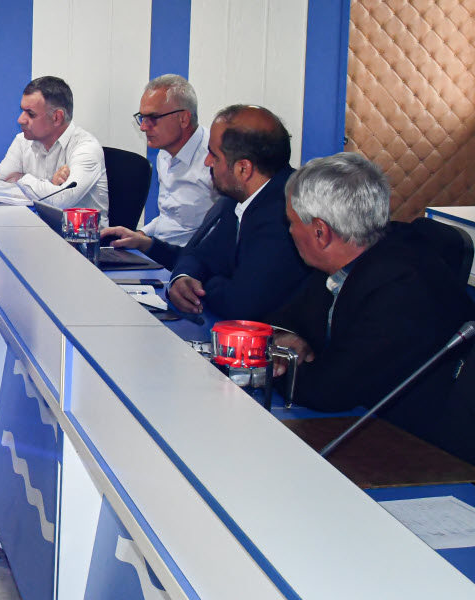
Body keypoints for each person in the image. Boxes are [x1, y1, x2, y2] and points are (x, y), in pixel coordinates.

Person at [268, 154, 475, 461]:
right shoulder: (349, 256)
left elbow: (328, 391)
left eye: (292, 223)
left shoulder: (402, 288)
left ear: (320, 232)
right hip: (364, 422)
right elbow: (287, 318)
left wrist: (271, 365)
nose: (289, 232)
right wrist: (287, 338)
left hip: (416, 451)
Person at [167, 105, 309, 320]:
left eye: (214, 155)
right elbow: (198, 254)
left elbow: (241, 305)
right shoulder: (237, 199)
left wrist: (203, 284)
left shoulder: (285, 215)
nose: (207, 162)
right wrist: (183, 277)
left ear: (243, 169)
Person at [101, 74, 215, 265]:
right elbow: (169, 217)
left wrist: (146, 244)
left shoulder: (215, 161)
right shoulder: (165, 153)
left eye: (153, 118)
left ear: (183, 118)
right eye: (142, 118)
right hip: (157, 252)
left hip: (190, 263)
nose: (143, 127)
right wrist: (139, 235)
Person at [0, 76, 109, 213]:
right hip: (34, 224)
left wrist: (21, 178)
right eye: (22, 111)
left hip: (78, 227)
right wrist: (50, 185)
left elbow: (61, 200)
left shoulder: (86, 148)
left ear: (57, 117)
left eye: (30, 114)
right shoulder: (22, 141)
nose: (21, 120)